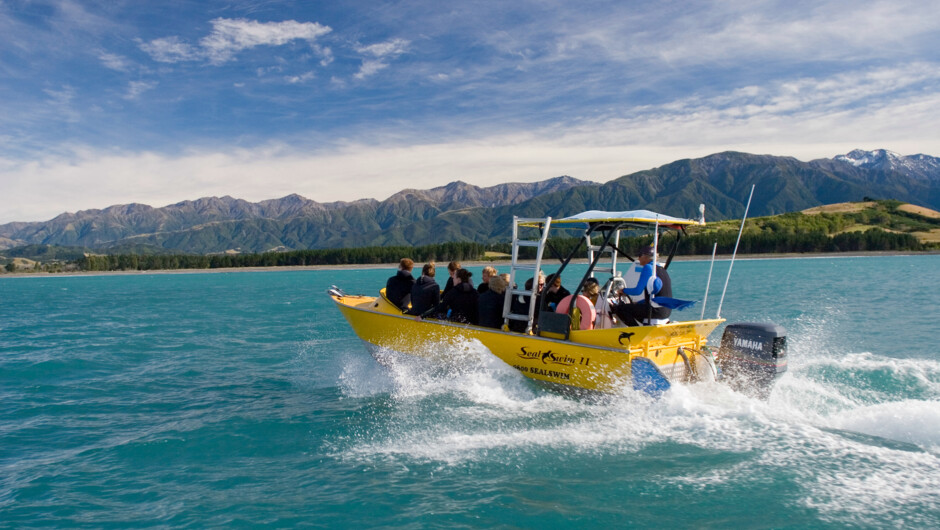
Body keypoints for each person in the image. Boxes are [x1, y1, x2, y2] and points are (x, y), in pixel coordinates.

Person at [613, 245, 672, 326]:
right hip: (667, 311)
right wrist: (638, 303)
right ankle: (644, 328)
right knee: (635, 307)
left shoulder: (648, 267)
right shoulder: (662, 269)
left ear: (646, 257)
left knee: (620, 309)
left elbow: (637, 291)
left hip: (656, 310)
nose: (638, 258)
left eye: (640, 256)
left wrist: (623, 291)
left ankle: (636, 332)